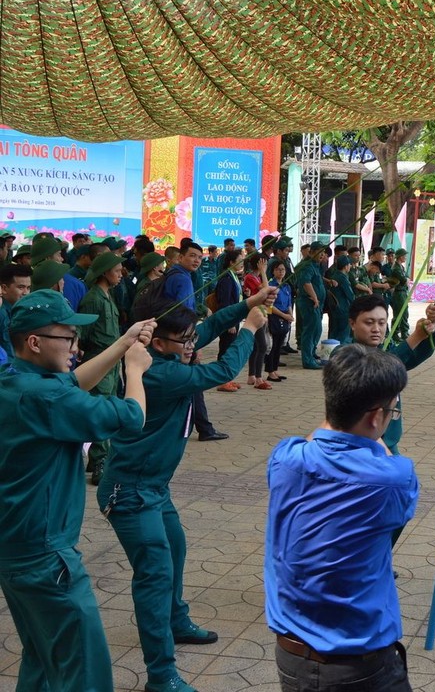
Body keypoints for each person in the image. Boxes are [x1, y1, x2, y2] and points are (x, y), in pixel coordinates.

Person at [98, 284, 274, 692]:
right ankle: (161, 675)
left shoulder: (165, 352)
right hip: (131, 491)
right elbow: (222, 371)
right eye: (184, 339)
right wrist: (249, 329)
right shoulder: (160, 372)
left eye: (191, 337)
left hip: (153, 487)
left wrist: (247, 304)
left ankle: (176, 621)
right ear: (158, 342)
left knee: (174, 549)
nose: (193, 343)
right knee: (155, 575)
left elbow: (207, 327)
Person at [0, 290, 154, 691]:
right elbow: (132, 417)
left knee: (43, 661)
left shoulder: (14, 380)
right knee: (85, 672)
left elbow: (72, 381)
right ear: (35, 342)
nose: (75, 345)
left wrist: (122, 344)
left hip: (15, 550)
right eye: (67, 338)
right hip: (47, 556)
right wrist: (135, 370)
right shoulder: (47, 397)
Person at [265, 344, 418, 692]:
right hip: (360, 665)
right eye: (392, 411)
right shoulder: (393, 479)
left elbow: (316, 439)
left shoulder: (285, 457)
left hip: (291, 655)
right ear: (375, 417)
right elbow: (384, 462)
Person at [347, 294, 435, 457]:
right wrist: (415, 337)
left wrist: (428, 329)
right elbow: (382, 367)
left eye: (381, 323)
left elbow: (412, 356)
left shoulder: (386, 349)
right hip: (358, 446)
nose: (376, 329)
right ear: (352, 323)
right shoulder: (343, 354)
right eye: (369, 322)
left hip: (389, 443)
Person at [162, 242, 228, 442]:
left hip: (171, 338)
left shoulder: (175, 275)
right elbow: (183, 313)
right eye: (192, 256)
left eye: (199, 257)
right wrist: (192, 344)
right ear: (180, 257)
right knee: (195, 383)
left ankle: (200, 427)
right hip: (180, 340)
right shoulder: (182, 278)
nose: (197, 260)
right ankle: (203, 428)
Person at [78, 250, 128, 485]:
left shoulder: (108, 295)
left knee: (107, 408)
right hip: (98, 360)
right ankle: (99, 461)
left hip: (111, 361)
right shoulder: (93, 299)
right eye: (117, 271)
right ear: (105, 272)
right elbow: (83, 334)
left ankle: (98, 458)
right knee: (100, 410)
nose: (121, 274)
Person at [213, 250, 245, 391]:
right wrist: (229, 322)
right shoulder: (226, 279)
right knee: (225, 349)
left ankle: (228, 378)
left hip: (235, 318)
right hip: (229, 320)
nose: (242, 263)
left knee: (229, 349)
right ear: (231, 262)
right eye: (240, 260)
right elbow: (224, 303)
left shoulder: (234, 276)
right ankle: (221, 381)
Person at [243, 252, 271, 389]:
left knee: (256, 346)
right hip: (255, 313)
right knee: (262, 346)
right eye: (265, 263)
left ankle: (252, 375)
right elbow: (266, 290)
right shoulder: (250, 277)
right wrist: (263, 272)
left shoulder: (257, 277)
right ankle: (259, 378)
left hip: (262, 311)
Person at [266, 262, 294, 384]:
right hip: (275, 316)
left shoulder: (286, 285)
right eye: (278, 269)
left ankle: (275, 369)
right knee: (272, 345)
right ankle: (270, 371)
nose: (281, 272)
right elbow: (270, 306)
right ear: (273, 271)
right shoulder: (271, 286)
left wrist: (290, 315)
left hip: (285, 316)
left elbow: (289, 303)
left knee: (279, 345)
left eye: (283, 269)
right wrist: (284, 315)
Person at [0, 264, 33, 361]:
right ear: (4, 288)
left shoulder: (19, 310)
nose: (26, 293)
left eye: (28, 288)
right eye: (21, 287)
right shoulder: (2, 314)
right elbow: (9, 355)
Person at [327, 254, 355, 343]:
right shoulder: (343, 278)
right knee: (343, 334)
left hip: (335, 308)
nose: (350, 266)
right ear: (345, 266)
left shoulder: (334, 275)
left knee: (335, 332)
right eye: (349, 264)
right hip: (343, 309)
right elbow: (350, 295)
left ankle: (332, 349)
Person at [390, 248, 411, 342]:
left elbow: (407, 278)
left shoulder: (401, 267)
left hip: (403, 292)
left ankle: (404, 332)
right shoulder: (396, 268)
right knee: (399, 314)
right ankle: (395, 334)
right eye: (404, 256)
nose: (405, 257)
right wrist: (406, 280)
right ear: (400, 257)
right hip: (398, 293)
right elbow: (404, 280)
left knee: (404, 313)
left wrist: (406, 280)